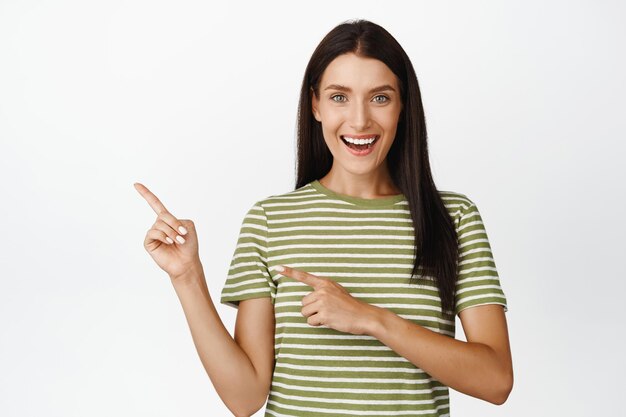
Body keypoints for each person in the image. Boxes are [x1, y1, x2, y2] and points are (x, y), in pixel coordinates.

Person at [135, 18, 513, 417]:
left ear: (403, 106)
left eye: (380, 98)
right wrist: (187, 278)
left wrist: (370, 319)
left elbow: (496, 380)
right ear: (315, 104)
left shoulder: (454, 217)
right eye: (339, 97)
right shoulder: (270, 220)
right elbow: (244, 398)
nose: (360, 120)